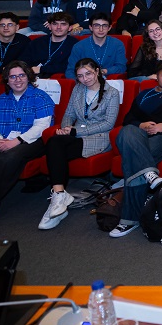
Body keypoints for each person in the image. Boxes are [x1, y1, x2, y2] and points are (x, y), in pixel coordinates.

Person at [109, 63, 162, 237]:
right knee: (127, 131)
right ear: (156, 75)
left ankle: (128, 220)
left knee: (134, 161)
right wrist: (142, 124)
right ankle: (150, 173)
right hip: (140, 136)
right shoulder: (143, 95)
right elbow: (129, 119)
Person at [38, 58, 120, 230]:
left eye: (88, 73)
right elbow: (68, 113)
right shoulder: (78, 89)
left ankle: (58, 199)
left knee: (55, 150)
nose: (85, 79)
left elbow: (108, 124)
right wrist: (65, 127)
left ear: (97, 71)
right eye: (80, 76)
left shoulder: (111, 93)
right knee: (54, 142)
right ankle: (59, 195)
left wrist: (74, 131)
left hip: (100, 137)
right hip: (76, 133)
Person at [0, 61, 54, 218]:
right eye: (12, 77)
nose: (17, 80)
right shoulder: (1, 100)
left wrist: (16, 141)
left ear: (29, 77)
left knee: (6, 160)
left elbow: (41, 127)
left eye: (21, 75)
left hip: (33, 141)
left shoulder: (40, 97)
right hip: (4, 138)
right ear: (7, 80)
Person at [26, 13, 76, 78]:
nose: (58, 27)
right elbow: (24, 61)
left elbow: (70, 67)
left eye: (63, 24)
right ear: (49, 26)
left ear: (70, 28)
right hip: (31, 77)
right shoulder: (36, 42)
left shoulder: (75, 45)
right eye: (55, 24)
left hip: (56, 80)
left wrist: (41, 69)